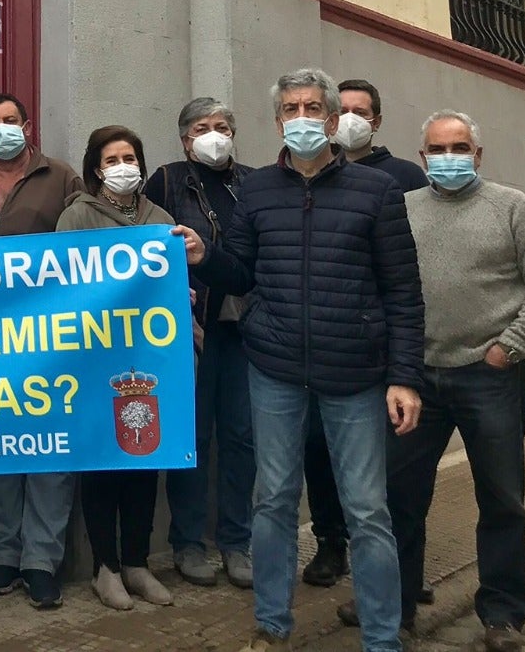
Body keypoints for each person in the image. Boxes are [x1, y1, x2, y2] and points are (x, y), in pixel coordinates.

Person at [174, 67, 424, 652]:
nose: (303, 119)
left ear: (334, 120)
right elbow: (241, 270)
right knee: (274, 501)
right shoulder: (259, 189)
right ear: (278, 120)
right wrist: (204, 254)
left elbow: (404, 293)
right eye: (292, 110)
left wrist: (404, 376)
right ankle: (272, 625)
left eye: (314, 109)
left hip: (356, 373)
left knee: (366, 511)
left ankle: (383, 638)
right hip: (276, 367)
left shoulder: (378, 191)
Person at [339, 111, 525, 652]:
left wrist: (507, 349)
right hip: (415, 380)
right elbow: (382, 288)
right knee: (399, 498)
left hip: (491, 378)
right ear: (421, 159)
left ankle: (503, 614)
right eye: (437, 149)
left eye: (459, 147)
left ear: (478, 154)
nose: (448, 157)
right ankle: (396, 607)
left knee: (502, 497)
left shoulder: (513, 207)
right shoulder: (401, 209)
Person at [0, 92, 82, 609]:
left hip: (47, 333)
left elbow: (87, 246)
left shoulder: (61, 176)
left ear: (28, 126)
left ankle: (41, 561)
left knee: (50, 448)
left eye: (10, 121)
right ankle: (3, 555)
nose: (1, 129)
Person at [302, 80, 430, 590]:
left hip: (378, 344)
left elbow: (408, 265)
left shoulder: (401, 177)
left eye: (362, 111)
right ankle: (331, 543)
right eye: (344, 109)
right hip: (319, 344)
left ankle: (398, 567)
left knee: (384, 465)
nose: (351, 118)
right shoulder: (307, 173)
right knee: (319, 450)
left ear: (375, 121)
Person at [58, 127, 177, 612]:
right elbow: (62, 284)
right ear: (95, 169)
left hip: (150, 364)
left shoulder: (162, 219)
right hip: (94, 361)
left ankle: (137, 563)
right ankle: (104, 568)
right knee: (103, 464)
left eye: (130, 156)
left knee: (144, 459)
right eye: (112, 159)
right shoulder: (77, 216)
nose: (123, 165)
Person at [145, 97, 255, 590]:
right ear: (185, 139)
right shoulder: (167, 180)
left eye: (222, 126)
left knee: (242, 438)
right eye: (202, 128)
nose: (214, 135)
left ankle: (238, 542)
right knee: (192, 439)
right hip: (191, 328)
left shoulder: (254, 183)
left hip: (249, 330)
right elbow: (145, 247)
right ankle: (188, 543)